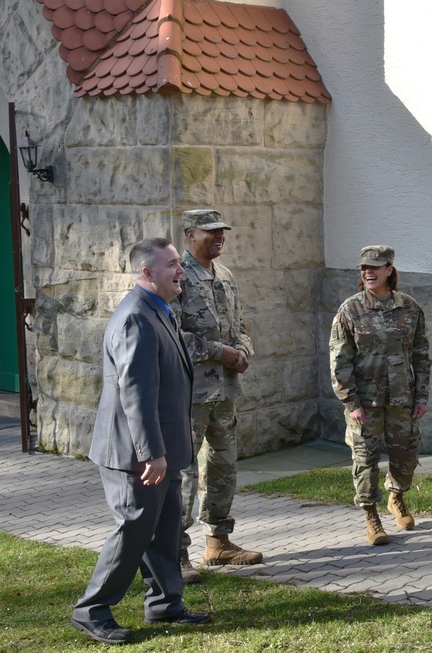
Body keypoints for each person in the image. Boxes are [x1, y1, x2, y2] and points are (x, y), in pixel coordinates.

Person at [71, 238, 210, 645]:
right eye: (171, 265)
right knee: (133, 530)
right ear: (147, 273)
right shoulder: (136, 318)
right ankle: (91, 610)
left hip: (161, 451)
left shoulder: (157, 310)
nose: (181, 270)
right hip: (136, 454)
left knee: (164, 529)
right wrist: (153, 454)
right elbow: (137, 393)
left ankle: (165, 603)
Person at [173, 209, 261, 584]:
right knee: (184, 474)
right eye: (211, 232)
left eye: (222, 230)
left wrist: (243, 352)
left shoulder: (224, 276)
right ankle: (175, 552)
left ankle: (219, 542)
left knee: (223, 466)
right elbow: (172, 334)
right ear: (191, 234)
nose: (219, 236)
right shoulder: (177, 276)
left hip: (224, 391)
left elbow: (239, 325)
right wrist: (218, 352)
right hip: (191, 393)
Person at [329, 245, 431, 545]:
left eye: (375, 267)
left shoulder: (410, 308)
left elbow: (422, 355)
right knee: (365, 460)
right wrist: (351, 402)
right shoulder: (351, 310)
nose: (368, 272)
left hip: (403, 399)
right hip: (365, 403)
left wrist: (421, 396)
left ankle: (396, 496)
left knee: (406, 456)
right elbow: (339, 361)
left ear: (390, 270)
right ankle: (371, 515)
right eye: (364, 268)